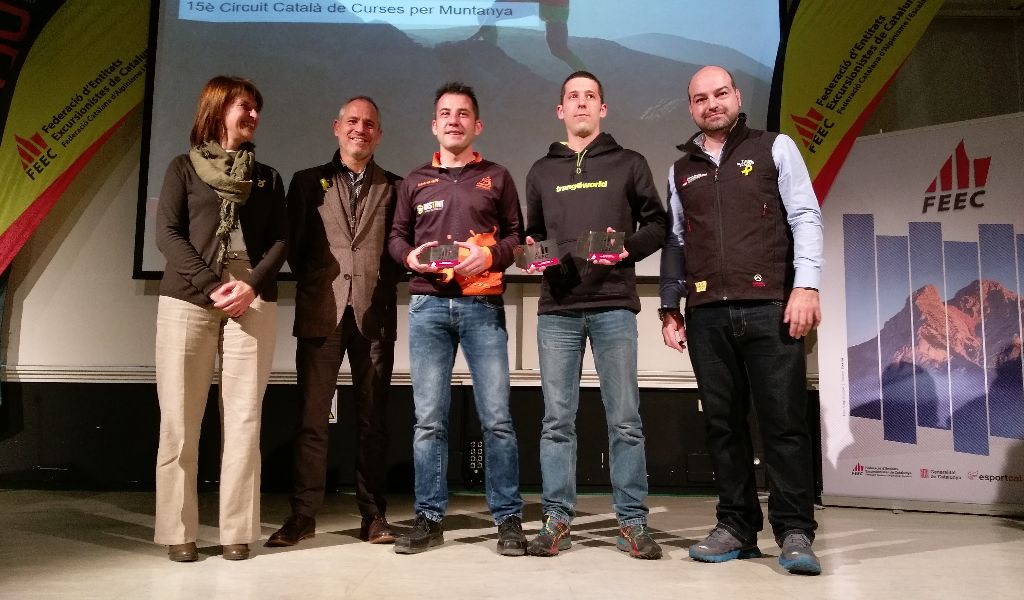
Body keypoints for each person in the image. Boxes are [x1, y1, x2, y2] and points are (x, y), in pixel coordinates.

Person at [658, 65, 824, 575]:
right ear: (691, 107)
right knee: (722, 426)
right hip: (706, 313)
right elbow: (677, 241)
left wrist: (806, 285)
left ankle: (794, 530)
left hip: (770, 306)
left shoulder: (775, 147)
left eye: (720, 93)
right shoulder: (680, 170)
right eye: (701, 98)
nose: (712, 104)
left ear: (735, 96)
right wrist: (669, 306)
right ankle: (736, 525)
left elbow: (805, 216)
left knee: (784, 423)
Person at [522, 71, 666, 559]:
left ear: (602, 108)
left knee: (625, 421)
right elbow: (533, 235)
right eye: (572, 97)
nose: (581, 103)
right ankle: (556, 520)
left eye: (590, 96)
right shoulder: (541, 171)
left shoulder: (630, 163)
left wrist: (626, 250)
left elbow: (658, 224)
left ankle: (632, 522)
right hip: (557, 309)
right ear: (560, 110)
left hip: (613, 306)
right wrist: (533, 253)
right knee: (556, 422)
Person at [387, 81, 526, 556]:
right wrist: (410, 258)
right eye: (445, 113)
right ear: (434, 125)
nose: (454, 120)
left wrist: (489, 257)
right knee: (429, 420)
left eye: (463, 113)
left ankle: (507, 518)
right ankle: (428, 518)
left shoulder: (497, 177)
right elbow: (397, 237)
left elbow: (516, 237)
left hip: (482, 306)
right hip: (427, 306)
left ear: (477, 125)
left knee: (497, 419)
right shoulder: (414, 180)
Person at [153, 75, 287, 562]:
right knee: (180, 420)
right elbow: (167, 235)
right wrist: (212, 286)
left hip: (251, 298)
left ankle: (236, 531)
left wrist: (250, 284)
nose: (253, 115)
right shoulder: (182, 168)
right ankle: (178, 531)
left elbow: (281, 240)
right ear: (216, 109)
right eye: (243, 106)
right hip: (189, 298)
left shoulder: (267, 176)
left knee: (244, 419)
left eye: (256, 108)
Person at [266, 97, 402, 549]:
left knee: (373, 421)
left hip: (374, 315)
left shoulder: (396, 186)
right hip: (321, 312)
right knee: (311, 419)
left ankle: (373, 515)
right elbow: (293, 245)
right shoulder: (307, 182)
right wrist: (319, 282)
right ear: (337, 127)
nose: (360, 129)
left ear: (379, 134)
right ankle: (303, 515)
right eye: (353, 122)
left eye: (370, 124)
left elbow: (399, 250)